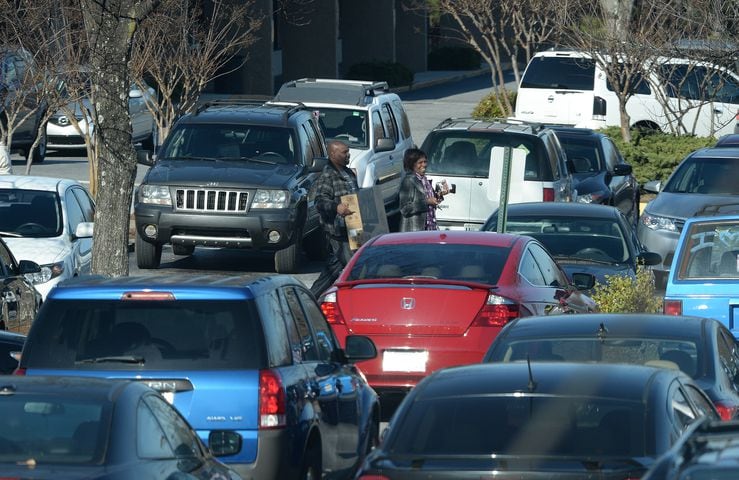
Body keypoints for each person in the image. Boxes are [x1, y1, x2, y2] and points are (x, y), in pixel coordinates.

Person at [310, 140, 359, 298]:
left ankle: (309, 299)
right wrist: (336, 207)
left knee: (338, 268)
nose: (348, 154)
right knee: (353, 268)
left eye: (348, 151)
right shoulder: (328, 176)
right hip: (338, 232)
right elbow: (320, 201)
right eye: (344, 152)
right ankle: (310, 299)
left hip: (354, 229)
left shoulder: (349, 173)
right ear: (332, 154)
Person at [398, 148, 447, 232]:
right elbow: (404, 209)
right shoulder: (409, 181)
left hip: (430, 227)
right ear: (412, 164)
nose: (424, 165)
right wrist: (426, 202)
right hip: (415, 231)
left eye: (425, 162)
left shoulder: (424, 180)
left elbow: (430, 200)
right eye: (420, 163)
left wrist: (440, 195)